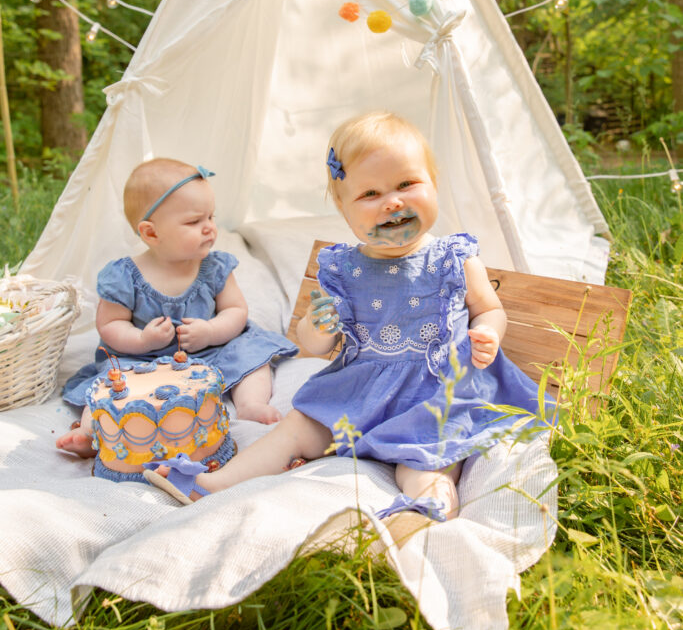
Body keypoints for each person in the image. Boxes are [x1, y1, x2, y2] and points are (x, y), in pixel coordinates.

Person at [144, 115, 552, 543]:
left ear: (433, 184)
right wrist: (319, 328)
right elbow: (313, 343)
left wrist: (487, 332)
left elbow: (489, 308)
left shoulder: (454, 258)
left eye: (407, 184)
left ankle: (427, 510)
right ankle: (214, 485)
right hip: (360, 392)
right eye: (370, 193)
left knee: (427, 460)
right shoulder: (343, 269)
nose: (392, 202)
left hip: (431, 394)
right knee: (297, 428)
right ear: (343, 208)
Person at [57, 158, 298, 458]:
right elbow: (109, 325)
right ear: (151, 233)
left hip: (209, 351)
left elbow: (235, 310)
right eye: (194, 222)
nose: (210, 228)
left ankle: (250, 404)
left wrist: (210, 331)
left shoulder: (214, 267)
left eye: (211, 217)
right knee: (110, 383)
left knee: (251, 357)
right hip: (142, 359)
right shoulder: (124, 276)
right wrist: (142, 340)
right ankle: (90, 431)